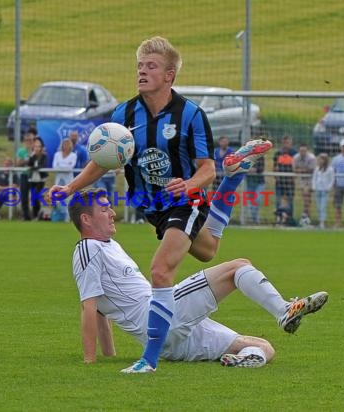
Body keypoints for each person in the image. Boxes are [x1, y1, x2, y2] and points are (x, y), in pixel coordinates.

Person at [48, 36, 273, 373]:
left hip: (185, 200)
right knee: (209, 250)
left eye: (150, 66)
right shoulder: (123, 114)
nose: (142, 71)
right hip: (154, 208)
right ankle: (236, 175)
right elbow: (104, 160)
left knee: (161, 270)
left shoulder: (190, 114)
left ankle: (149, 360)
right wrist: (71, 186)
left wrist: (190, 185)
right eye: (139, 66)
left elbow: (205, 168)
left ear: (169, 75)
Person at [69, 189, 328, 368]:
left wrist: (109, 356)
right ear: (86, 219)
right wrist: (90, 361)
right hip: (159, 317)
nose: (113, 213)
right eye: (105, 210)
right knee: (238, 267)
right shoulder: (88, 249)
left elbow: (102, 313)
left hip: (169, 345)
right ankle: (283, 310)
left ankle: (243, 362)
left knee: (263, 346)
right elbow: (89, 307)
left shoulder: (108, 245)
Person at [52, 138, 77, 221]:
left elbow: (71, 167)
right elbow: (55, 166)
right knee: (58, 198)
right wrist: (65, 166)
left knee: (68, 199)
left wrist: (61, 165)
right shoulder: (57, 154)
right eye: (64, 144)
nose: (66, 146)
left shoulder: (73, 155)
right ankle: (60, 217)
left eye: (67, 144)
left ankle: (68, 218)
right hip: (59, 180)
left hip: (69, 181)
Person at [292, 143, 316, 224]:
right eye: (301, 151)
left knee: (307, 198)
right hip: (302, 180)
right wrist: (304, 170)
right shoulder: (296, 157)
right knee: (306, 199)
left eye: (304, 151)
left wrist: (301, 170)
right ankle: (307, 216)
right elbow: (294, 169)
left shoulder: (311, 158)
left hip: (311, 179)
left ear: (307, 151)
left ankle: (305, 216)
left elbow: (312, 170)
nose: (302, 152)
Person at [16, 128, 36, 220]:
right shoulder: (21, 151)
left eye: (31, 140)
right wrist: (27, 159)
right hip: (24, 175)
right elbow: (18, 163)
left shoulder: (36, 150)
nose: (28, 142)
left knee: (35, 196)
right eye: (27, 140)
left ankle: (35, 214)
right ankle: (26, 215)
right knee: (24, 196)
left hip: (34, 176)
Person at [272, 135, 297, 214]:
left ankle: (289, 218)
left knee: (290, 201)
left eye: (288, 143)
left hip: (290, 182)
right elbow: (274, 167)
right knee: (279, 200)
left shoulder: (294, 154)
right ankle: (279, 218)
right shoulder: (278, 153)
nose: (286, 145)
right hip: (279, 182)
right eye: (284, 143)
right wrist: (276, 176)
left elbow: (296, 168)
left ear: (291, 143)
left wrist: (293, 178)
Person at [312, 153, 335, 229]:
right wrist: (314, 187)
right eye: (320, 159)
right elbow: (314, 178)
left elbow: (332, 180)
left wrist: (328, 188)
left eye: (322, 159)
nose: (321, 161)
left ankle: (322, 222)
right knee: (318, 207)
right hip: (318, 189)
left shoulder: (330, 169)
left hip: (324, 190)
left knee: (323, 207)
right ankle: (320, 221)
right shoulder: (317, 168)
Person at [28, 137, 49, 220]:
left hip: (41, 179)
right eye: (36, 146)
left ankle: (38, 213)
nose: (37, 148)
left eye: (39, 146)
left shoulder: (44, 156)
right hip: (32, 178)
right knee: (33, 196)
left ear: (41, 147)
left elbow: (42, 166)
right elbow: (29, 165)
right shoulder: (32, 155)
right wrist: (31, 156)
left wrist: (34, 168)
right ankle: (35, 215)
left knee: (36, 194)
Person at [245, 155, 265, 224]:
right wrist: (248, 169)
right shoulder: (246, 156)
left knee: (257, 200)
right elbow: (241, 166)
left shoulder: (261, 156)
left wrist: (255, 170)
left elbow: (261, 168)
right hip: (249, 182)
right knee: (250, 202)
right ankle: (253, 219)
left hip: (259, 182)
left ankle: (255, 219)